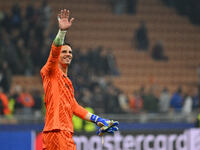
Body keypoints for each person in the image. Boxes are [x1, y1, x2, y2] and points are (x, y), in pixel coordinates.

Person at [40, 9, 119, 150]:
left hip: (63, 132)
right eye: (64, 51)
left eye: (70, 52)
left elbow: (75, 107)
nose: (68, 54)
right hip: (57, 131)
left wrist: (99, 120)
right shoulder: (50, 71)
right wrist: (62, 32)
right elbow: (54, 52)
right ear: (58, 55)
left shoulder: (67, 82)